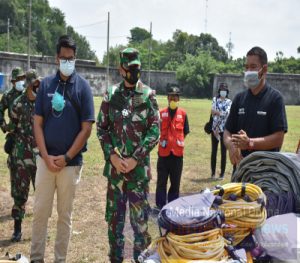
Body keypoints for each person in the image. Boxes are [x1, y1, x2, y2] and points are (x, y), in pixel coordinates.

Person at [30, 35, 95, 263]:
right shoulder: (46, 85)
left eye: (72, 58)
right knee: (40, 213)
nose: (68, 61)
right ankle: (36, 258)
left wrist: (67, 157)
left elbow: (86, 129)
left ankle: (60, 259)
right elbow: (37, 123)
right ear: (57, 59)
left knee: (64, 217)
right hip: (45, 162)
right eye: (64, 58)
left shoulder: (83, 88)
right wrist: (46, 156)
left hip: (70, 164)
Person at [97, 47, 160, 263]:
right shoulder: (111, 95)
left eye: (137, 68)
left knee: (140, 226)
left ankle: (140, 259)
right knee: (114, 224)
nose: (134, 71)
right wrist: (112, 157)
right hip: (115, 174)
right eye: (130, 68)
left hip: (138, 174)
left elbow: (154, 131)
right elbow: (101, 129)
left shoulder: (148, 95)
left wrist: (135, 159)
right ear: (121, 69)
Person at [224, 46, 288, 168]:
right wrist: (231, 146)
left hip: (265, 172)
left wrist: (250, 143)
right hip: (241, 168)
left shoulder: (275, 98)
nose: (248, 71)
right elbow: (227, 130)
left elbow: (278, 138)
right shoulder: (239, 98)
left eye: (253, 67)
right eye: (246, 67)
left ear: (264, 69)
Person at [8, 69, 40, 241]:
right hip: (20, 155)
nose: (35, 86)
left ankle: (39, 230)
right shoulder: (18, 103)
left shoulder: (43, 103)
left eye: (37, 83)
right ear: (28, 84)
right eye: (32, 83)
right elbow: (12, 126)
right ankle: (17, 229)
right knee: (19, 193)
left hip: (39, 156)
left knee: (41, 194)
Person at [0, 67, 25, 241]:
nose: (20, 82)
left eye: (22, 79)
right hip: (16, 142)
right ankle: (17, 228)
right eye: (18, 80)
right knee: (18, 186)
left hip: (33, 145)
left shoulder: (31, 94)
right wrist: (4, 127)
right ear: (13, 81)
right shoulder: (8, 96)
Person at [155, 86, 189, 210]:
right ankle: (160, 206)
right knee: (161, 182)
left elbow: (185, 132)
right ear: (167, 98)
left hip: (177, 155)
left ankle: (173, 206)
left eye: (175, 96)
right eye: (171, 96)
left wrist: (175, 142)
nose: (173, 98)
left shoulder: (183, 114)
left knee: (175, 183)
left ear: (178, 98)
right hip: (163, 154)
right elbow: (156, 131)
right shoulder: (161, 113)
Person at [210, 83, 232, 180]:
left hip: (224, 129)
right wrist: (219, 113)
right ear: (219, 91)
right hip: (215, 129)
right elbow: (212, 111)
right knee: (213, 151)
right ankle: (213, 173)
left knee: (223, 152)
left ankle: (222, 174)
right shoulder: (215, 99)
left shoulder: (229, 101)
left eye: (224, 90)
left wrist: (217, 112)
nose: (223, 91)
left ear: (226, 92)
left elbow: (227, 113)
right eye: (221, 90)